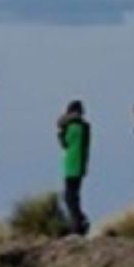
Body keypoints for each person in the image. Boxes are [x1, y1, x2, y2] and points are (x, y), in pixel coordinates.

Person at [57, 100, 90, 236]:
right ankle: (79, 223)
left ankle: (77, 225)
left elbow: (65, 143)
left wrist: (61, 130)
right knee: (73, 196)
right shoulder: (85, 127)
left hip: (72, 165)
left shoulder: (73, 127)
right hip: (79, 165)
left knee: (70, 197)